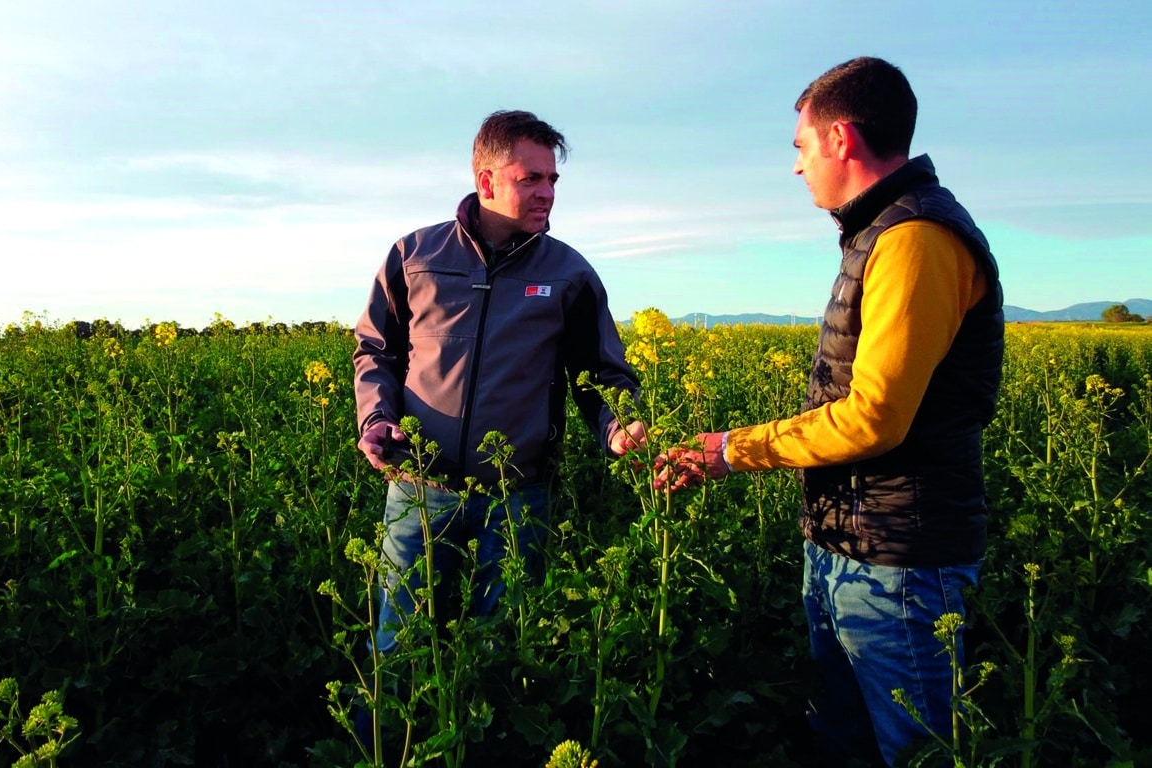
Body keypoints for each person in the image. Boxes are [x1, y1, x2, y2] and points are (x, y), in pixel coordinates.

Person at [655, 57, 1003, 766]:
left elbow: (875, 416)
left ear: (839, 138)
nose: (796, 166)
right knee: (841, 740)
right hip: (852, 545)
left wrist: (729, 450)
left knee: (917, 750)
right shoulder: (880, 234)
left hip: (899, 559)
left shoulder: (915, 239)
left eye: (799, 146)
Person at [354, 109, 646, 658]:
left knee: (505, 651)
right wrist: (375, 419)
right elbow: (376, 349)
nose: (547, 193)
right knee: (399, 648)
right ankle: (387, 744)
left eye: (552, 180)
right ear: (486, 181)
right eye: (530, 178)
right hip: (419, 490)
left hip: (516, 497)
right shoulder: (415, 256)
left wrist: (616, 427)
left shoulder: (569, 273)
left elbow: (602, 376)